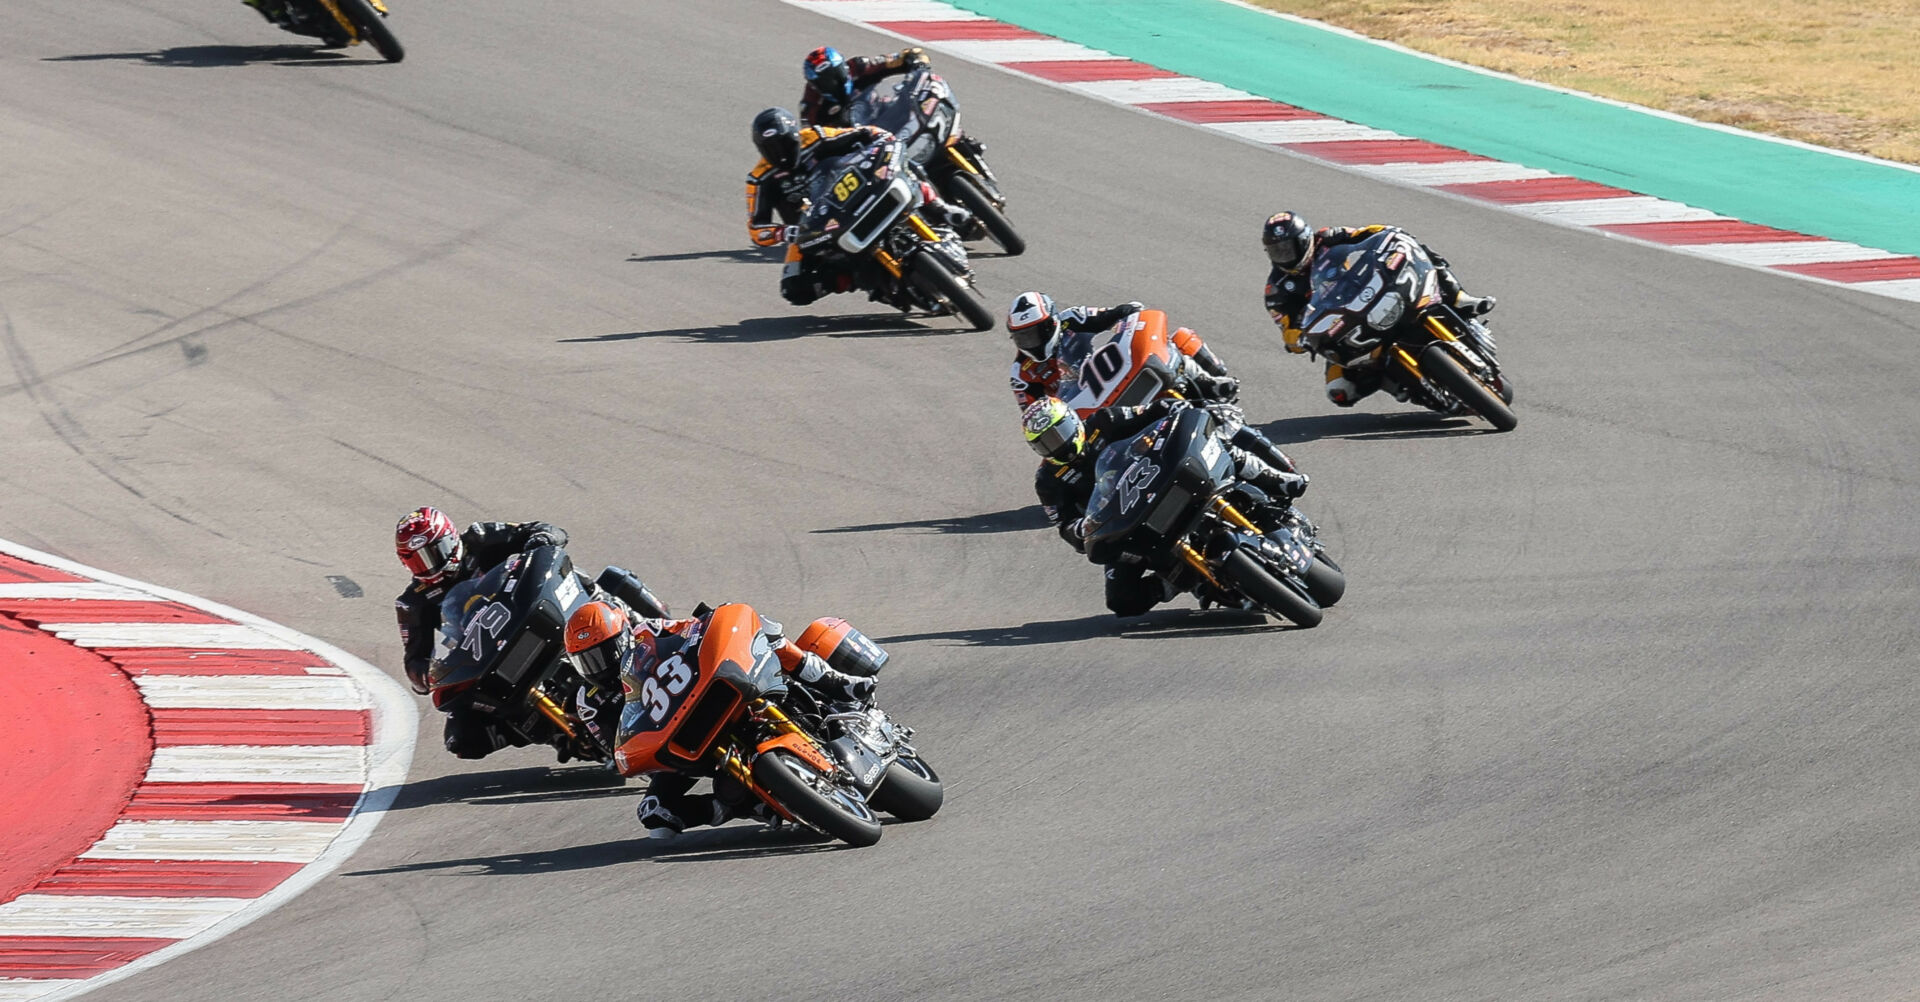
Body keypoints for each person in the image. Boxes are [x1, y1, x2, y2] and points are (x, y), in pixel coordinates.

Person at [563, 599, 877, 838]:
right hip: (670, 740)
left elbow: (693, 630)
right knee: (655, 816)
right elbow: (616, 747)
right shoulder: (587, 702)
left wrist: (712, 624)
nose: (598, 666)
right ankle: (741, 804)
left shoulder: (648, 631)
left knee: (764, 629)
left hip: (703, 694)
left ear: (622, 636)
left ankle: (834, 681)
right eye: (586, 661)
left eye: (603, 653)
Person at [1022, 396, 1307, 617]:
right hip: (1126, 523)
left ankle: (1278, 480)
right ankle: (1175, 580)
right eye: (1046, 443)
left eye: (1058, 433)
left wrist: (1176, 411)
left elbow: (1157, 411)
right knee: (1120, 601)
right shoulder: (1048, 481)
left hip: (1162, 482)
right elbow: (1064, 525)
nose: (1057, 445)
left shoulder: (1103, 422)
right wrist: (1080, 529)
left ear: (1072, 420)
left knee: (1218, 441)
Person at [1261, 211, 1495, 406]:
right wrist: (1300, 338)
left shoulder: (1329, 238)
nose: (1284, 257)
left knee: (1416, 248)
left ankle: (1460, 297)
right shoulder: (1277, 290)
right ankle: (1395, 384)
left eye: (1288, 248)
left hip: (1373, 293)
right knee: (1339, 392)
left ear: (1304, 240)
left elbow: (1371, 234)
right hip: (1342, 328)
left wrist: (1389, 237)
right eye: (1277, 251)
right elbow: (1287, 330)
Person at [747, 108, 972, 306]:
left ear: (796, 136)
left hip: (854, 193)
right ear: (760, 149)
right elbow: (756, 230)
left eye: (785, 144)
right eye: (772, 148)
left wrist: (883, 141)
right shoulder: (759, 179)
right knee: (795, 290)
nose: (781, 153)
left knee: (906, 169)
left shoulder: (814, 137)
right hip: (812, 231)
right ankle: (860, 279)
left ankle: (942, 209)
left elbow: (866, 133)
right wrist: (787, 232)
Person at [392, 507, 568, 758]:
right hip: (487, 656)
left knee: (601, 579)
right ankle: (551, 730)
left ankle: (633, 615)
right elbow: (414, 661)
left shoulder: (480, 537)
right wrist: (428, 673)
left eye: (433, 554)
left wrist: (539, 540)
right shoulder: (412, 603)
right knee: (462, 739)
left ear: (451, 539)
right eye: (416, 561)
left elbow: (547, 530)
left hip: (532, 611)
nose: (428, 567)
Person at [1006, 293, 1240, 410]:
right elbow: (1034, 414)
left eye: (1033, 334)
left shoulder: (1072, 318)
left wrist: (1127, 314)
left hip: (1110, 377)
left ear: (1051, 324)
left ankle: (1210, 382)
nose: (1030, 342)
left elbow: (1119, 314)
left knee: (1177, 339)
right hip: (1085, 409)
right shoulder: (1021, 374)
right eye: (1022, 336)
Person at [798, 45, 932, 128]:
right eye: (826, 81)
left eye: (837, 74)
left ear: (844, 66)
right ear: (815, 86)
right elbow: (810, 141)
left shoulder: (859, 67)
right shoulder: (811, 107)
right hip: (859, 147)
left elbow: (905, 56)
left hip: (886, 116)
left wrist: (917, 64)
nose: (835, 82)